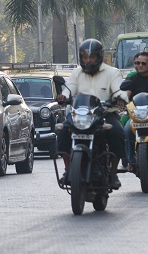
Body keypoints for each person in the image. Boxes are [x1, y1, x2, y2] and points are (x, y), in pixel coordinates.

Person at [56, 39, 128, 189]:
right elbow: (69, 89)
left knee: (117, 132)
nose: (88, 61)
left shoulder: (112, 73)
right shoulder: (76, 73)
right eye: (85, 57)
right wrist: (63, 96)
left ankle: (113, 173)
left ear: (99, 56)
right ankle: (69, 169)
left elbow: (119, 90)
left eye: (92, 57)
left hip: (104, 114)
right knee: (62, 130)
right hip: (79, 115)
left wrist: (120, 98)